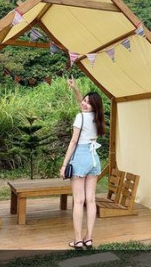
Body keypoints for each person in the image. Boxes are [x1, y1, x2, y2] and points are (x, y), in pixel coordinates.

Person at [60, 78, 105, 249]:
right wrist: (76, 89)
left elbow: (73, 142)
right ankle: (89, 238)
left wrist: (64, 165)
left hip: (80, 156)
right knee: (91, 200)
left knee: (79, 201)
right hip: (94, 158)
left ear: (93, 106)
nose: (84, 103)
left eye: (88, 102)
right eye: (84, 100)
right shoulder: (97, 117)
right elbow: (83, 105)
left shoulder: (80, 117)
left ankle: (78, 239)